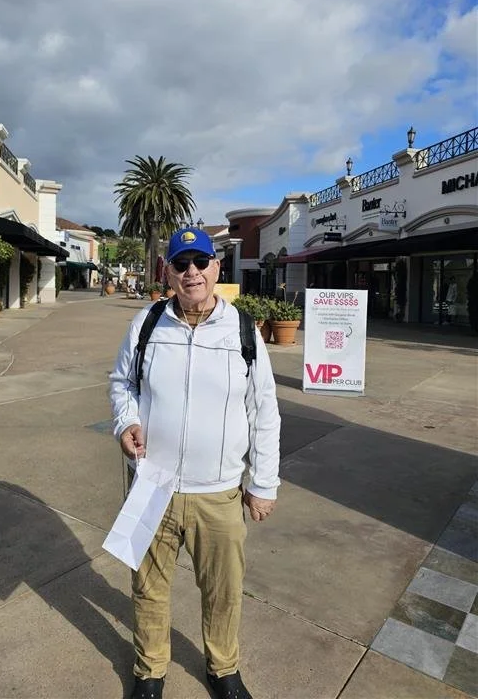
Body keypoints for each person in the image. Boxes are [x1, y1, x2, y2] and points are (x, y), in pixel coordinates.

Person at [109, 227, 281, 699]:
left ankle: (223, 669)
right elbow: (122, 382)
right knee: (148, 588)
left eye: (200, 262)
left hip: (219, 490)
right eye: (181, 263)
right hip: (152, 484)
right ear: (168, 270)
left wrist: (263, 482)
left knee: (224, 591)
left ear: (216, 268)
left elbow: (263, 408)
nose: (191, 272)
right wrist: (125, 423)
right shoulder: (147, 323)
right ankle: (149, 672)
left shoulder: (242, 329)